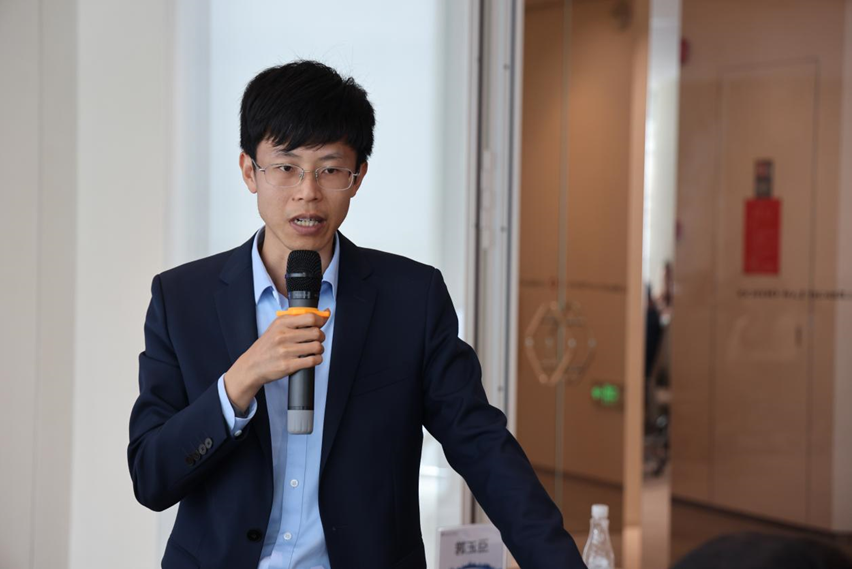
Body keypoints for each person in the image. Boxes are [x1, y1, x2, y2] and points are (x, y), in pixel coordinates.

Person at [128, 60, 585, 569]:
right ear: (249, 171)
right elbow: (151, 477)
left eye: (330, 169)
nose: (307, 191)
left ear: (358, 176)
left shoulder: (411, 298)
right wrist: (240, 381)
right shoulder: (181, 298)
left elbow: (481, 444)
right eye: (286, 167)